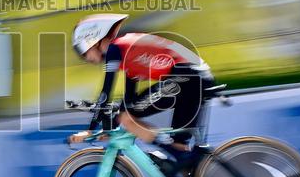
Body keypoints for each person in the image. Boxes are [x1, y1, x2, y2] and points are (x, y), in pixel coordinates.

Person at [67, 14, 214, 153]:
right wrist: (109, 128)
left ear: (93, 40)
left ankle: (174, 154)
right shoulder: (127, 51)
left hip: (187, 78)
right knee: (180, 149)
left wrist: (90, 131)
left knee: (127, 118)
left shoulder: (114, 49)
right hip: (196, 77)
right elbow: (129, 100)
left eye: (82, 50)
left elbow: (106, 94)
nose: (84, 57)